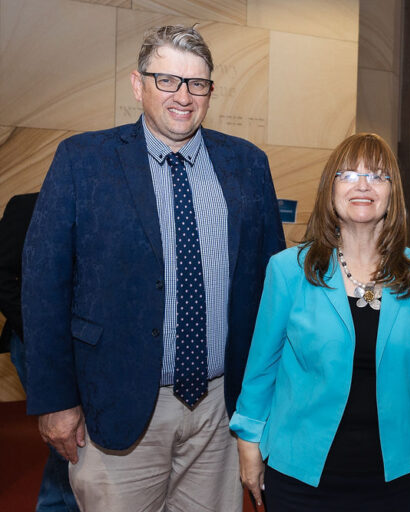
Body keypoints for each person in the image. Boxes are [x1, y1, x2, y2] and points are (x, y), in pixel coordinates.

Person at [22, 25, 284, 511]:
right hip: (118, 404)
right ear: (138, 85)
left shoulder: (248, 164)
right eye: (167, 80)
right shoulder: (84, 160)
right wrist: (55, 400)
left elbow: (272, 286)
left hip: (220, 409)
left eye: (197, 83)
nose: (183, 96)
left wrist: (265, 399)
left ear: (209, 91)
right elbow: (44, 286)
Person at [230, 133, 410, 512]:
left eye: (377, 176)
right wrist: (249, 444)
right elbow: (260, 370)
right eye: (348, 175)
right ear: (329, 190)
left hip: (397, 476)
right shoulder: (288, 270)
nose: (363, 185)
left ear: (392, 193)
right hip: (302, 474)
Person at [0, 193, 80, 512]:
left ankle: (56, 504)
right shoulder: (27, 205)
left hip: (87, 346)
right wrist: (34, 328)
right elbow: (2, 274)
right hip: (35, 344)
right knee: (67, 436)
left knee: (74, 440)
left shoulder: (104, 203)